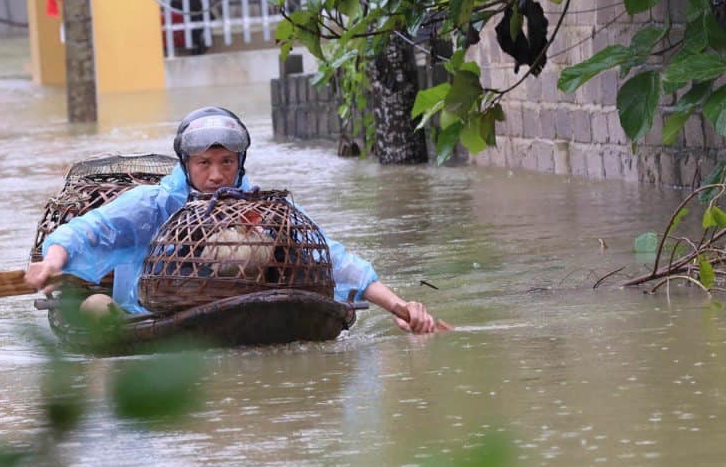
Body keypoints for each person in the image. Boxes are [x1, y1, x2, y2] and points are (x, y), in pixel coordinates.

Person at [23, 106, 438, 334]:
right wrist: (52, 262)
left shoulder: (262, 207)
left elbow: (333, 257)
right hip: (142, 314)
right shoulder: (154, 205)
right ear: (187, 165)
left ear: (240, 163)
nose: (216, 175)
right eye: (204, 163)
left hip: (229, 307)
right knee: (96, 307)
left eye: (226, 162)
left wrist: (399, 306)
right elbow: (84, 231)